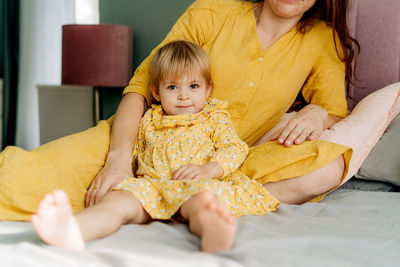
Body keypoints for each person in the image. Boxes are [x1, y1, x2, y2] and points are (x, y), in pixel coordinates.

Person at [0, 0, 358, 221]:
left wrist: (316, 112)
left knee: (331, 160)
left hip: (213, 166)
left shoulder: (321, 39)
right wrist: (120, 160)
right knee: (22, 180)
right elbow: (141, 87)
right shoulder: (212, 10)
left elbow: (336, 114)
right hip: (137, 139)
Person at [31, 40, 279, 253]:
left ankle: (212, 230)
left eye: (193, 86)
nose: (183, 96)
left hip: (195, 184)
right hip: (152, 188)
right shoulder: (149, 119)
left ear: (208, 88)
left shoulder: (214, 117)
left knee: (202, 202)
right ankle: (74, 230)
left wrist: (210, 170)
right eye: (173, 87)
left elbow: (234, 148)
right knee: (116, 202)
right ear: (156, 92)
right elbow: (136, 152)